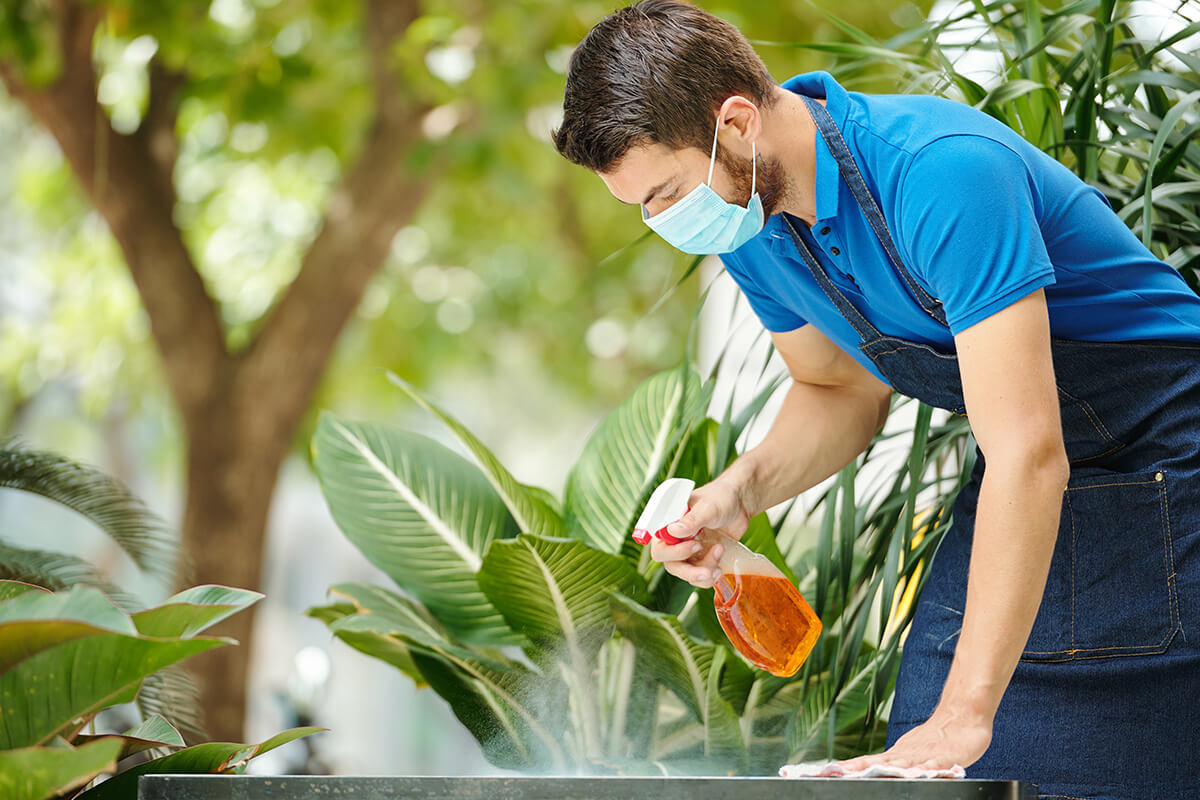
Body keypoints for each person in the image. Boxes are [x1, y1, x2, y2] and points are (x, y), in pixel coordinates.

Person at [552, 2, 1200, 798]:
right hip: (1032, 470)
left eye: (665, 193)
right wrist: (736, 494)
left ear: (738, 121)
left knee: (1024, 761)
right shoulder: (753, 223)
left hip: (1170, 457)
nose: (662, 222)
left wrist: (967, 712)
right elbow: (838, 388)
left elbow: (1029, 453)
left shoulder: (939, 171)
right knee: (918, 773)